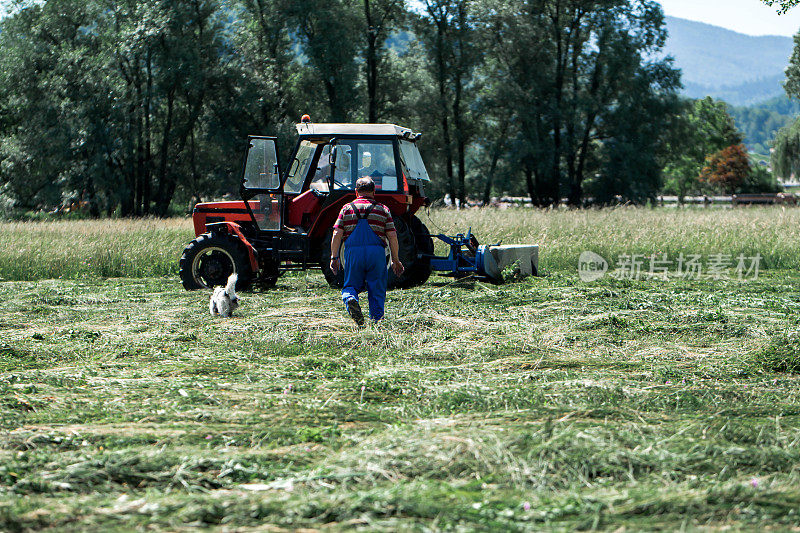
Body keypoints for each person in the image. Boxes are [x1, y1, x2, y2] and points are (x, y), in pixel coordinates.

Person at [329, 177, 404, 325]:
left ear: (356, 192)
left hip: (353, 254)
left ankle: (351, 298)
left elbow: (336, 233)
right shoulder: (383, 209)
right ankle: (376, 322)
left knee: (351, 285)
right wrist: (395, 259)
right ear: (374, 191)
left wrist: (334, 257)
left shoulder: (346, 208)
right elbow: (392, 236)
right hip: (376, 255)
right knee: (376, 287)